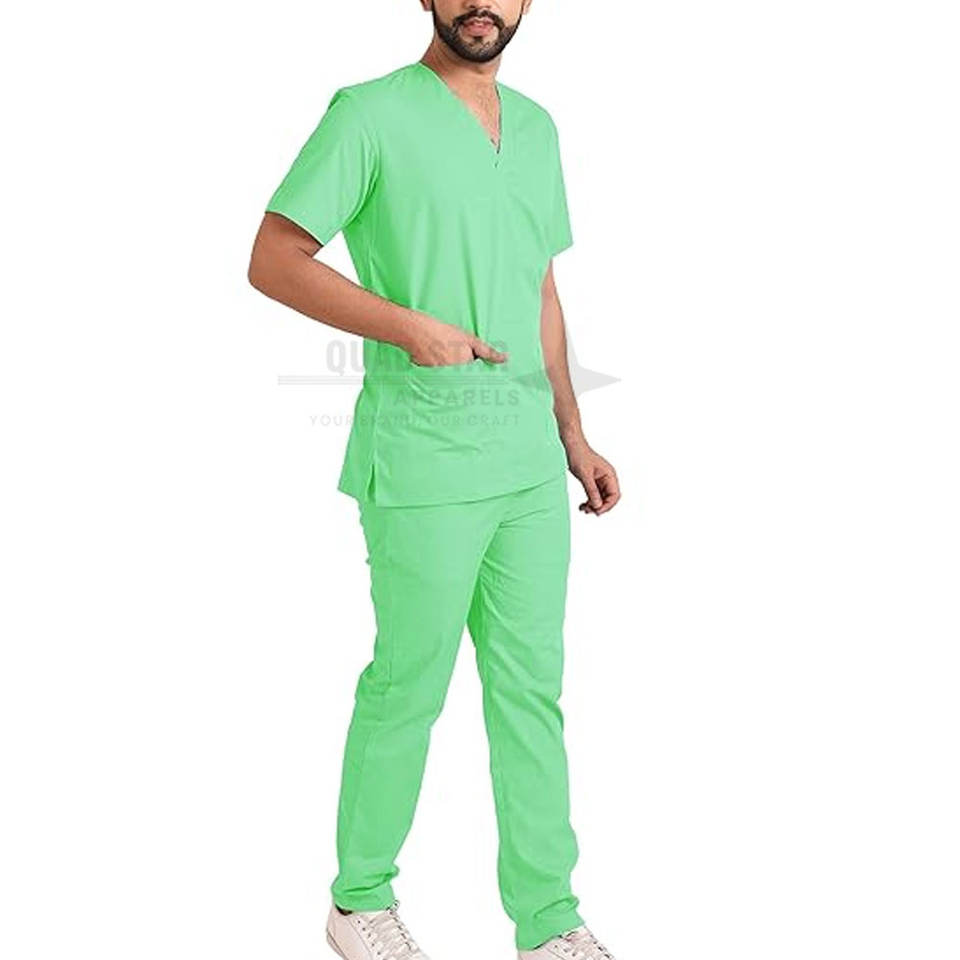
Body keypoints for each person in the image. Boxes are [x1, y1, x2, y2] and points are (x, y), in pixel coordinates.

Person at [248, 3, 621, 958]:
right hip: (423, 459)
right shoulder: (369, 114)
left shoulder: (537, 128)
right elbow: (273, 258)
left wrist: (573, 432)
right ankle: (359, 900)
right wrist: (406, 326)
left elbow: (540, 287)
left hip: (528, 470)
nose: (479, 2)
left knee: (530, 694)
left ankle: (548, 921)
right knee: (408, 685)